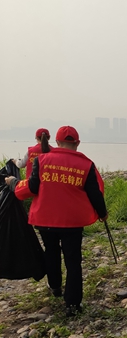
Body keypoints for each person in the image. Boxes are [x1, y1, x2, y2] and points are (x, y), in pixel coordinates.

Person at [5, 126, 107, 317]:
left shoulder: (42, 160)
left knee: (51, 252)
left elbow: (33, 187)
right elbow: (94, 193)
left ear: (57, 142)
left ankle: (55, 287)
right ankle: (73, 304)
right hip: (73, 222)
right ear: (77, 143)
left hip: (46, 219)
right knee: (73, 260)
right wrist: (103, 214)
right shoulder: (86, 165)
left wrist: (13, 184)